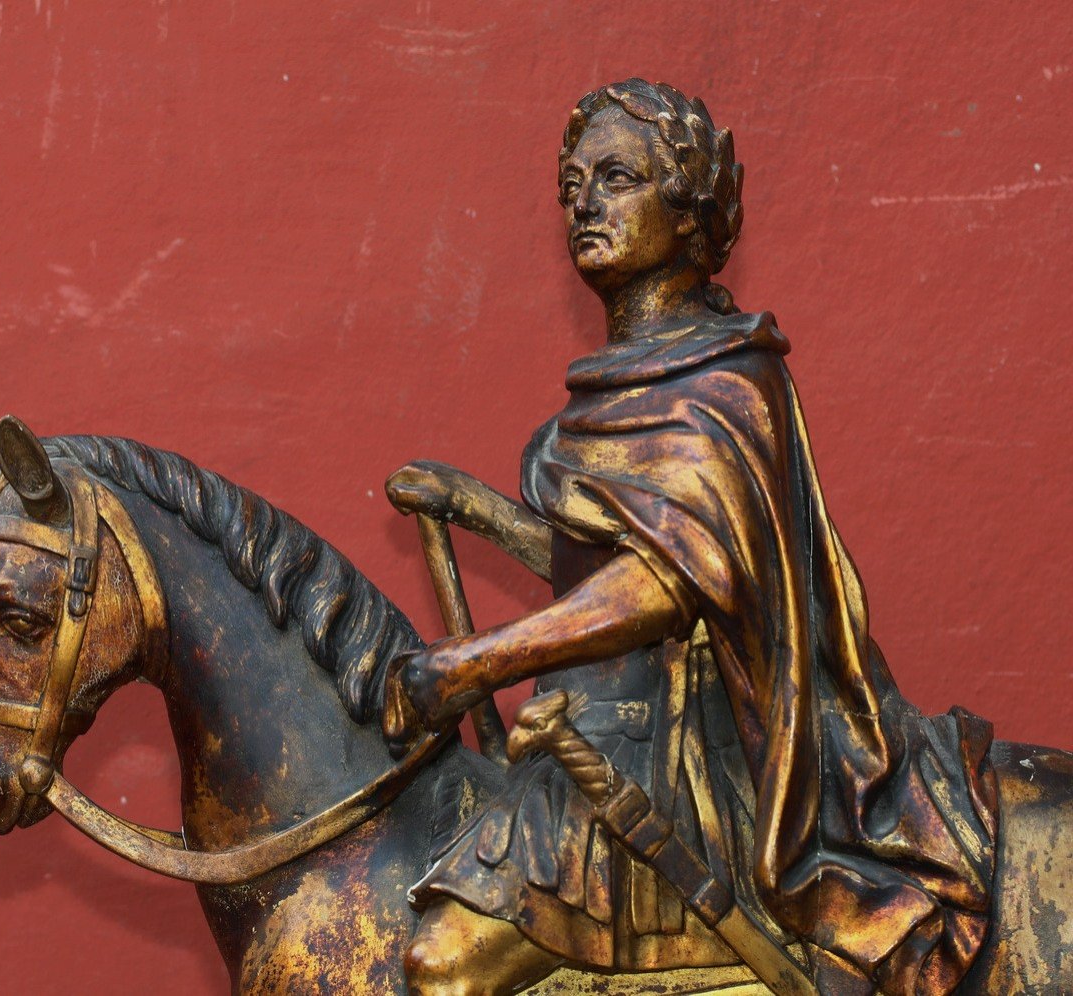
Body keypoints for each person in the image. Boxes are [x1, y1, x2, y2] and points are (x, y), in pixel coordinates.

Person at [385, 79, 998, 996]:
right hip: (602, 728)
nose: (584, 204)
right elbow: (608, 569)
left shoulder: (724, 387)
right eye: (573, 184)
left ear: (690, 213)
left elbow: (664, 589)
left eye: (618, 178)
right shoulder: (611, 395)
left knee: (442, 969)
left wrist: (473, 663)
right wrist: (476, 508)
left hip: (691, 757)